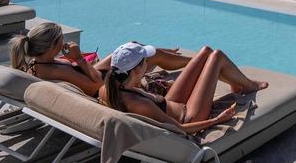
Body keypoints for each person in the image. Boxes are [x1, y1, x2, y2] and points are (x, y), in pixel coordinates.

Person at [99, 42, 268, 135]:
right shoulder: (139, 103)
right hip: (188, 116)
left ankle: (236, 82)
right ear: (135, 70)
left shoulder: (108, 88)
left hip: (170, 103)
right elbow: (178, 129)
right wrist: (217, 120)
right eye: (145, 61)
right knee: (216, 56)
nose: (148, 63)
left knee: (205, 51)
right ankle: (249, 85)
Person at [8, 22, 105, 96]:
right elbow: (100, 86)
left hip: (92, 75)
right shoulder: (56, 71)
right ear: (52, 46)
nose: (64, 40)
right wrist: (79, 58)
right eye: (61, 38)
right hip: (105, 91)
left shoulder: (34, 64)